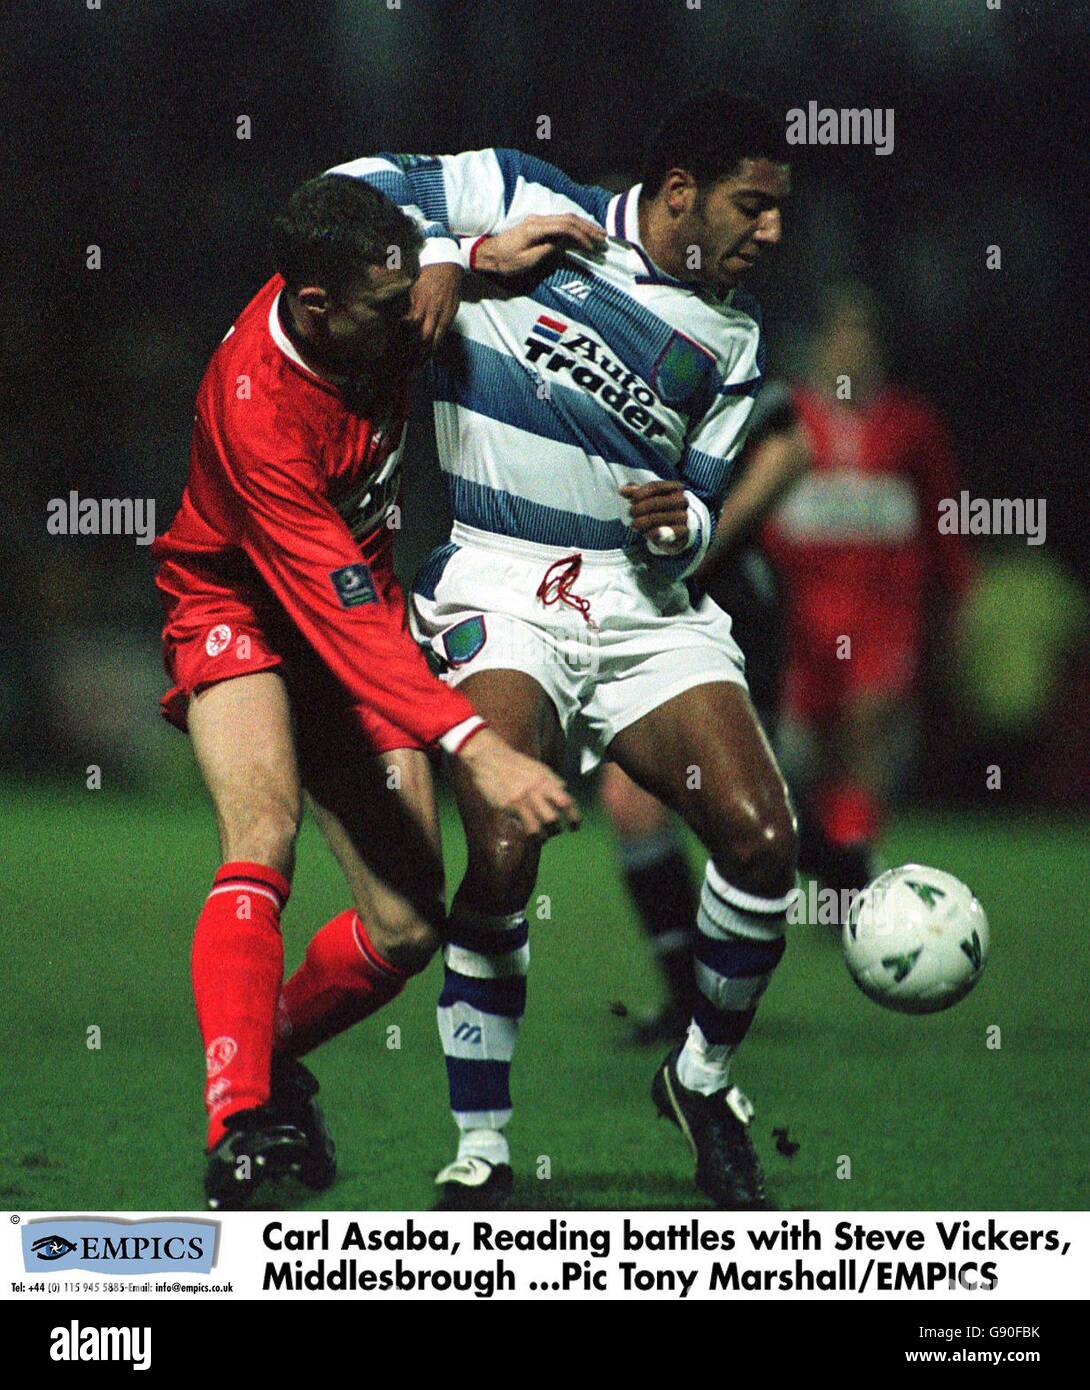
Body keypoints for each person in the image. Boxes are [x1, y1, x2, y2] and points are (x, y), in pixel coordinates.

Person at [338, 91, 797, 1210]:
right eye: (753, 206)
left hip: (639, 606)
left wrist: (680, 527)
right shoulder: (522, 194)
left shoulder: (731, 337)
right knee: (500, 838)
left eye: (781, 212)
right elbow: (339, 199)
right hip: (501, 576)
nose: (771, 234)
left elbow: (700, 501)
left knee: (764, 842)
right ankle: (482, 1149)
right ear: (680, 193)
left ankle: (698, 1080)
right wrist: (457, 250)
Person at [152, 174, 576, 1209]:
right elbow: (335, 619)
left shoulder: (377, 299)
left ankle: (266, 1050)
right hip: (240, 608)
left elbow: (432, 253)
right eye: (388, 307)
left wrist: (464, 260)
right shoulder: (258, 405)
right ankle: (240, 1126)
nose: (409, 321)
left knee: (407, 930)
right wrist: (478, 742)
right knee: (262, 829)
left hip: (359, 612)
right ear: (315, 311)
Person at [600, 382, 810, 1043]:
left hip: (727, 597)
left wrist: (705, 540)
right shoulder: (588, 334)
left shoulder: (710, 333)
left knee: (737, 809)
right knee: (630, 798)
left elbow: (790, 448)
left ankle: (837, 863)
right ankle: (688, 995)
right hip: (643, 600)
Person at [762, 283, 974, 904]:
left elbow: (945, 520)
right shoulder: (787, 420)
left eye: (864, 333)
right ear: (819, 344)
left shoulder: (910, 425)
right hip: (800, 629)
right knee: (803, 765)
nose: (852, 347)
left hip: (885, 623)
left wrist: (957, 600)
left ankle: (852, 888)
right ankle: (838, 868)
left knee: (866, 740)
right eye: (841, 333)